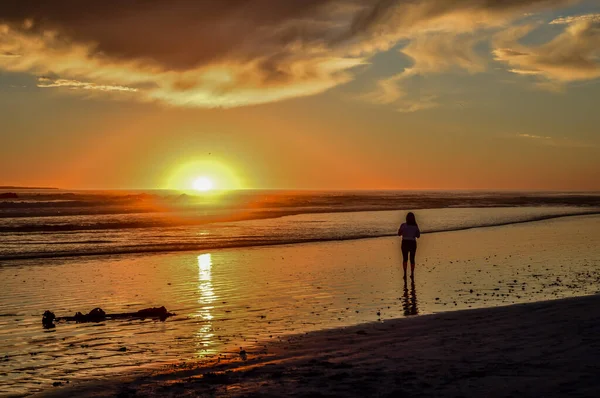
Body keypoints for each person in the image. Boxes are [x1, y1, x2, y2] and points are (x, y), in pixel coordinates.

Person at [398, 212, 420, 279]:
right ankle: (412, 273)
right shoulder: (415, 226)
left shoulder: (403, 225)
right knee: (412, 259)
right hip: (412, 243)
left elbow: (399, 234)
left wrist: (403, 232)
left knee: (405, 259)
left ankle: (405, 274)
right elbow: (418, 236)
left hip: (405, 242)